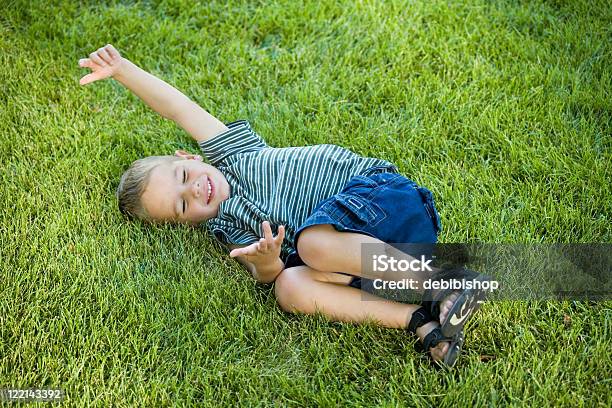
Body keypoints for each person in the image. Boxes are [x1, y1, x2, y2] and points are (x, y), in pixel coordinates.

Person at [79, 44, 491, 366]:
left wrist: (124, 72)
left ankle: (443, 279)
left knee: (312, 245)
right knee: (289, 287)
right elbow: (268, 273)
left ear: (189, 158)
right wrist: (268, 258)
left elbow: (179, 107)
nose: (196, 192)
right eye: (184, 207)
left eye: (185, 178)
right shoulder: (228, 231)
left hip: (381, 202)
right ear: (186, 224)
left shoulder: (232, 154)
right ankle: (421, 323)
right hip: (364, 264)